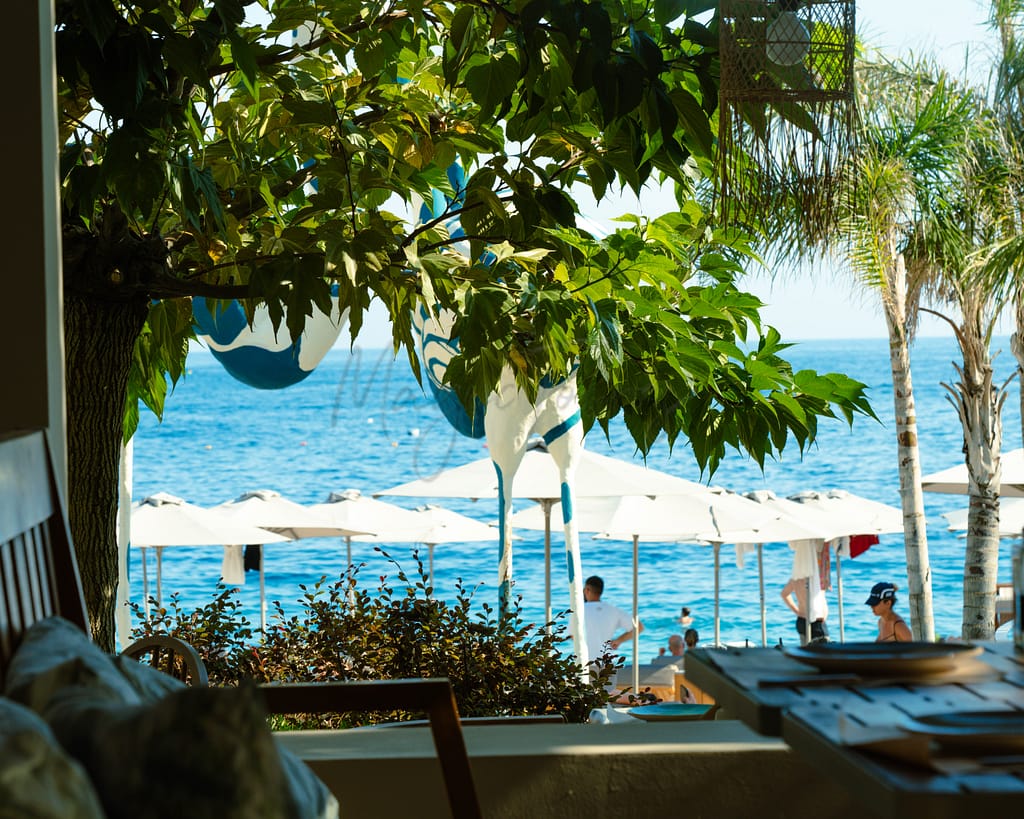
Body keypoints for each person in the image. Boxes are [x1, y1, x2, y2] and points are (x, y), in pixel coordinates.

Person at [583, 575, 643, 663]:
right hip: (607, 663)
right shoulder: (613, 610)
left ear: (587, 589)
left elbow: (573, 636)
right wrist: (619, 640)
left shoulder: (580, 610)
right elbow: (639, 627)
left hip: (586, 662)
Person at [780, 576, 829, 644]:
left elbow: (784, 594)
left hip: (802, 620)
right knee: (823, 651)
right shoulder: (817, 577)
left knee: (806, 651)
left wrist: (797, 611)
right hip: (817, 621)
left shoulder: (796, 578)